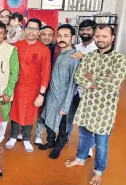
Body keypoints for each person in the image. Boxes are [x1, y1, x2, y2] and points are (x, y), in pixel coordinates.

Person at [65, 25, 126, 185]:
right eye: (98, 36)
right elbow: (79, 77)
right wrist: (97, 79)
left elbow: (114, 83)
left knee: (101, 143)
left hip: (105, 109)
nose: (100, 39)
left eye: (104, 36)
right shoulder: (89, 56)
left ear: (112, 38)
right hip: (87, 105)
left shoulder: (119, 60)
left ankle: (98, 172)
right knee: (84, 136)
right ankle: (80, 158)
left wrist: (91, 78)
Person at [6, 18, 51, 152]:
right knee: (15, 111)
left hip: (33, 88)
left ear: (39, 32)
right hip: (17, 86)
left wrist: (41, 94)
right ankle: (13, 136)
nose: (32, 31)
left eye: (35, 29)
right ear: (25, 30)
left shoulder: (44, 50)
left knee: (31, 113)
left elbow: (45, 74)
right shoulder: (17, 46)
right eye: (29, 28)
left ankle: (26, 138)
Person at [38, 24, 80, 159]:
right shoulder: (60, 53)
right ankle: (50, 142)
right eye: (60, 36)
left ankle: (58, 147)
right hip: (51, 96)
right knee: (47, 120)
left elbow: (73, 85)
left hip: (63, 100)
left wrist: (66, 105)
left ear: (72, 38)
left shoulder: (74, 57)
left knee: (62, 127)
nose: (62, 39)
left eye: (66, 36)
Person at [67, 19, 98, 157]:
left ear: (94, 31)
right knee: (68, 116)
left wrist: (83, 57)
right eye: (82, 30)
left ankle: (89, 146)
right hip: (74, 89)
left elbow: (98, 69)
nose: (85, 32)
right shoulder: (76, 47)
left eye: (88, 29)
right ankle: (64, 137)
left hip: (90, 91)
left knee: (87, 121)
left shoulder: (98, 48)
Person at [35, 25, 60, 145]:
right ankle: (23, 131)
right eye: (44, 34)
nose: (46, 37)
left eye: (50, 35)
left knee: (45, 110)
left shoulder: (57, 50)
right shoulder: (34, 47)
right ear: (39, 34)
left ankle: (40, 134)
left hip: (51, 85)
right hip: (34, 84)